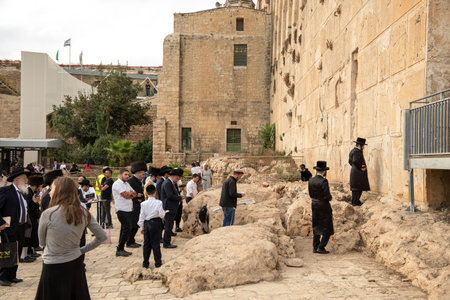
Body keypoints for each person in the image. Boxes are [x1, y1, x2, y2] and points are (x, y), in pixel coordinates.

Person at [35, 177, 106, 300]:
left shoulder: (48, 214)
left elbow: (41, 242)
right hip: (75, 263)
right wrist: (80, 250)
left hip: (52, 266)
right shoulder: (83, 212)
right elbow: (102, 236)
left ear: (59, 191)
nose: (49, 192)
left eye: (52, 189)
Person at [0, 167, 31, 286]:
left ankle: (12, 275)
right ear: (17, 180)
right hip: (9, 227)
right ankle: (3, 276)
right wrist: (1, 222)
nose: (27, 181)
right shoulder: (6, 191)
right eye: (25, 179)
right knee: (8, 251)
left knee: (17, 251)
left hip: (21, 227)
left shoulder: (22, 192)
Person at [308, 161, 334, 254]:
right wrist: (330, 197)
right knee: (327, 227)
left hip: (314, 204)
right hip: (323, 205)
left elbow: (310, 194)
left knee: (316, 225)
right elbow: (327, 195)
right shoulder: (324, 181)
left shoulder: (311, 180)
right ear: (324, 171)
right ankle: (321, 247)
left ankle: (315, 247)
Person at [138, 184, 165, 269]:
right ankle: (158, 262)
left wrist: (141, 227)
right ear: (155, 192)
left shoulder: (143, 204)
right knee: (156, 244)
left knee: (146, 244)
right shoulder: (159, 202)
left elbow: (141, 216)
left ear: (146, 192)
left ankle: (145, 263)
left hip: (147, 223)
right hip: (156, 223)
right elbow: (161, 215)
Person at [112, 169, 137, 257]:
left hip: (128, 209)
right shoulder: (117, 184)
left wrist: (130, 194)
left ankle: (120, 248)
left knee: (124, 228)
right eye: (125, 174)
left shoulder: (126, 184)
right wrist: (130, 194)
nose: (127, 176)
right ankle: (120, 248)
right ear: (120, 175)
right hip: (122, 209)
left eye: (128, 175)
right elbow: (126, 196)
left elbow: (135, 193)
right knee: (127, 228)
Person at [22, 173, 43, 262]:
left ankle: (30, 252)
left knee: (32, 235)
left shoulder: (32, 192)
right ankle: (25, 255)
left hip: (33, 216)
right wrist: (36, 203)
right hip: (29, 217)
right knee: (28, 236)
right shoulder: (27, 192)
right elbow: (29, 205)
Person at [161, 168, 184, 248]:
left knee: (169, 225)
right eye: (177, 177)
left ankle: (167, 241)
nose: (178, 179)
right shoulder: (167, 183)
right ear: (173, 176)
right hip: (169, 207)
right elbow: (169, 195)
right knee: (168, 225)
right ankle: (166, 243)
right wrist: (179, 198)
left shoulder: (171, 183)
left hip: (172, 206)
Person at [127, 161, 147, 248]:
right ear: (138, 173)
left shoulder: (137, 181)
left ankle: (132, 240)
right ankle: (129, 241)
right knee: (133, 224)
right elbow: (128, 193)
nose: (143, 176)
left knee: (136, 224)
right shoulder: (131, 181)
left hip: (138, 205)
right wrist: (136, 196)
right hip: (133, 205)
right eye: (142, 174)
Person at [349, 137, 370, 206]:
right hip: (358, 173)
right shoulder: (356, 151)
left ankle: (355, 201)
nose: (363, 147)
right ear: (360, 145)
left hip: (355, 172)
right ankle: (355, 202)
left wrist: (354, 167)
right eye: (363, 146)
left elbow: (350, 161)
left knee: (356, 188)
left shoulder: (352, 151)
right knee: (358, 188)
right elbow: (355, 161)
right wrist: (361, 167)